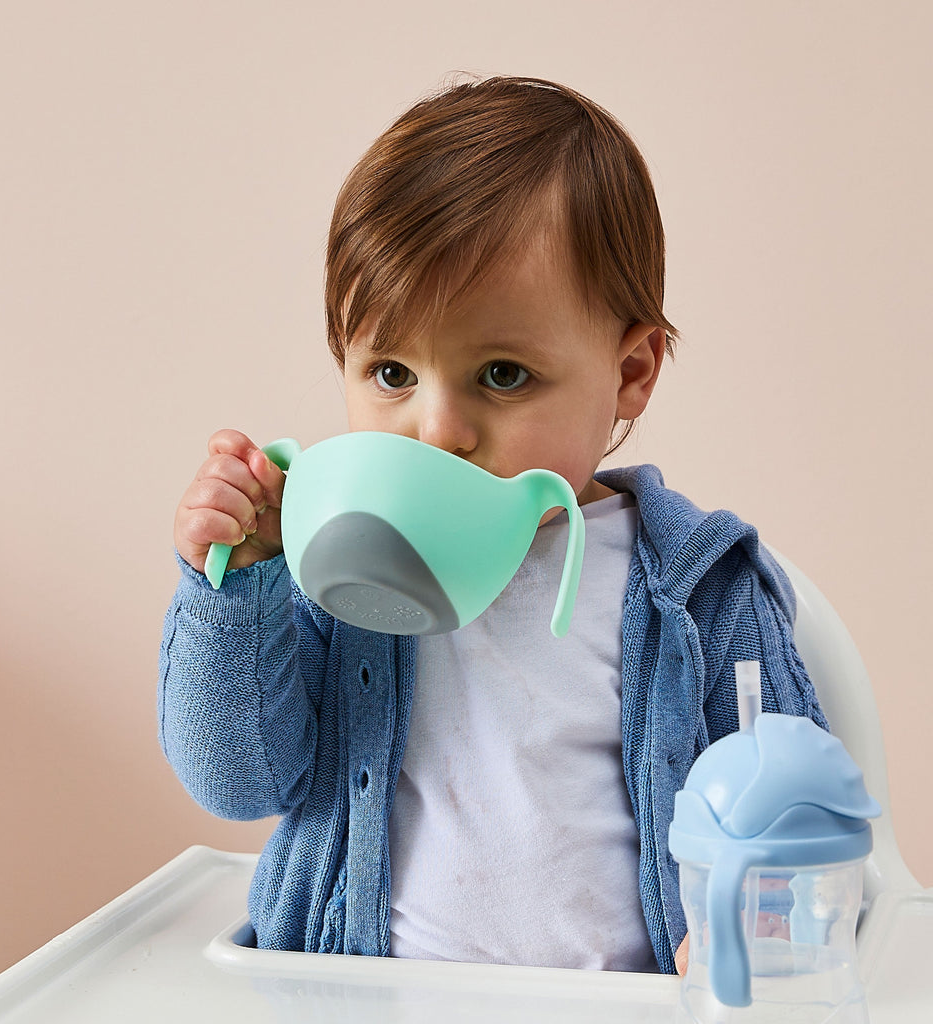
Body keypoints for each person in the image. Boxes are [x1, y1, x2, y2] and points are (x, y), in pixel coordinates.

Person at [159, 75, 825, 975]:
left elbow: (794, 826)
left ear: (630, 373)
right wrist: (238, 586)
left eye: (503, 374)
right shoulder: (337, 570)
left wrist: (752, 933)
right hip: (365, 995)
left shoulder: (702, 588)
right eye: (392, 372)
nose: (438, 431)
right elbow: (236, 781)